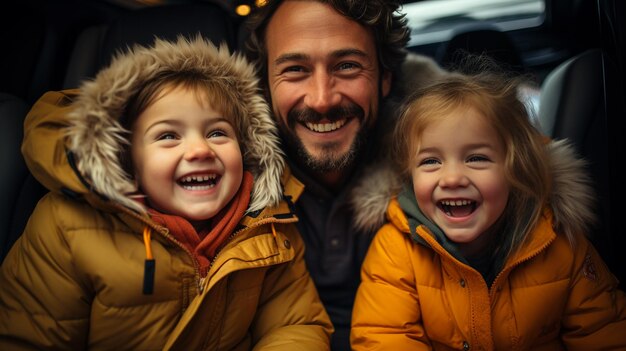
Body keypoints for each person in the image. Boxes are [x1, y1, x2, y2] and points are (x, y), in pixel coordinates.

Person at [0, 36, 333, 350]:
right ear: (127, 159)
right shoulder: (67, 229)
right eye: (168, 136)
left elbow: (295, 324)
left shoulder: (269, 226)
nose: (200, 149)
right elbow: (29, 337)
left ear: (245, 150)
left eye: (218, 132)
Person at [351, 67, 626, 349]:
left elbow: (604, 331)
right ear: (409, 174)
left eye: (476, 158)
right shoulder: (396, 250)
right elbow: (385, 337)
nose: (452, 178)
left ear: (515, 169)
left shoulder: (559, 244)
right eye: (431, 161)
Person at [243, 1, 445, 348]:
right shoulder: (223, 187)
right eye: (295, 70)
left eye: (347, 66)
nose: (322, 99)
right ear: (264, 86)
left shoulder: (455, 180)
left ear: (385, 78)